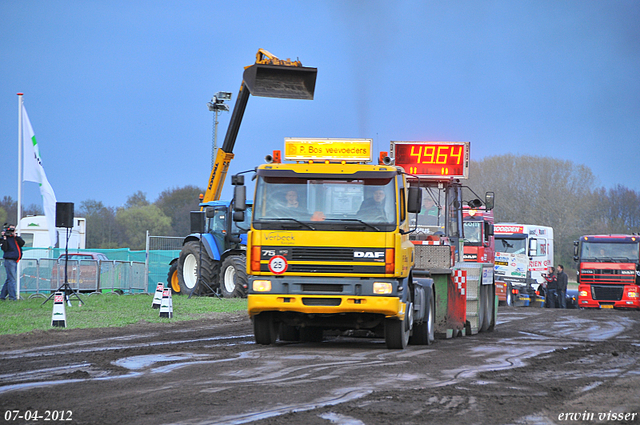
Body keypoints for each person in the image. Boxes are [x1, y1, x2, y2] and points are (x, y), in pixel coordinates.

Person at [1, 224, 25, 301]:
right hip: (9, 260)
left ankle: (2, 296)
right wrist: (4, 238)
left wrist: (15, 236)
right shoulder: (6, 239)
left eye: (13, 230)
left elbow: (22, 243)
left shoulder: (16, 238)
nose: (12, 232)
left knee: (9, 279)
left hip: (15, 260)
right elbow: (4, 248)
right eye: (10, 230)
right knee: (12, 280)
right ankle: (12, 297)